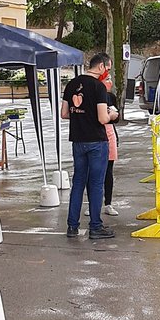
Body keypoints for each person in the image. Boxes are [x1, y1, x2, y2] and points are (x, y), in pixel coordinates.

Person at [61, 52, 117, 240]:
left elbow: (64, 113)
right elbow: (102, 118)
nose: (107, 72)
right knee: (95, 184)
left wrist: (81, 115)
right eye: (107, 69)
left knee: (78, 182)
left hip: (78, 140)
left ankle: (72, 225)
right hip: (96, 141)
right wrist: (112, 115)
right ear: (101, 66)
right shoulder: (99, 87)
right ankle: (95, 226)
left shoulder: (71, 84)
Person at [102, 76, 119, 216]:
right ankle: (93, 203)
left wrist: (112, 114)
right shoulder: (93, 95)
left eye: (110, 79)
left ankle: (108, 203)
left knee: (108, 171)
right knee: (94, 172)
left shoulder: (111, 97)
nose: (110, 82)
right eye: (107, 79)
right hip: (94, 135)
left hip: (109, 133)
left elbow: (117, 116)